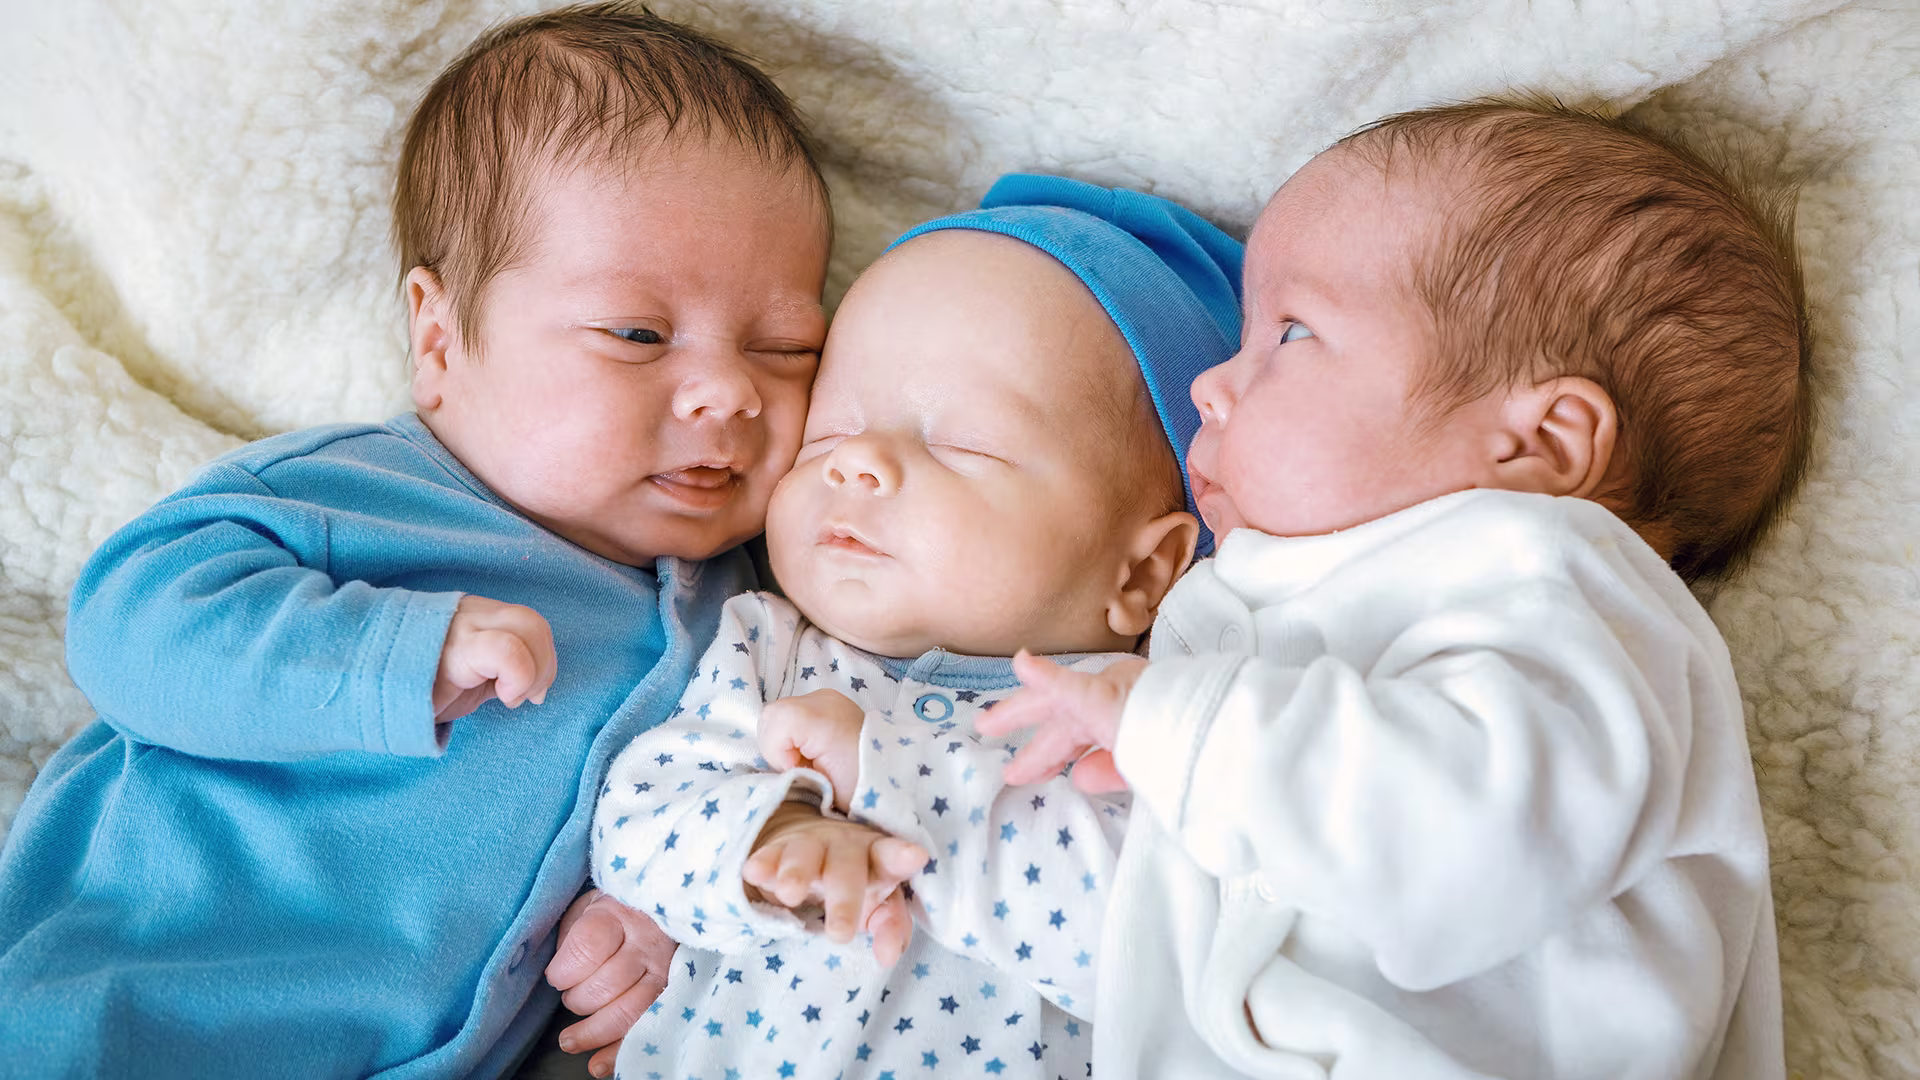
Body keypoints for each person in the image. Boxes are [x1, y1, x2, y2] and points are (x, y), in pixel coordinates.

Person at [0, 6, 830, 1077]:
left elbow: (713, 801)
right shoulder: (356, 494)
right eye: (638, 334)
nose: (729, 391)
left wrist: (657, 917)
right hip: (138, 993)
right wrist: (383, 657)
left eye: (786, 347)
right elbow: (128, 624)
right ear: (439, 341)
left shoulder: (750, 617)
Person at [981, 99, 1809, 1080]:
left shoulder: (1568, 592)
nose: (1211, 382)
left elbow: (1475, 841)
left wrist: (1193, 733)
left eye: (1288, 335)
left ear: (1538, 447)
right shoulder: (1325, 605)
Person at [577, 173, 1244, 1080]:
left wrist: (886, 774)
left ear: (1143, 572)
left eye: (960, 443)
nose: (857, 460)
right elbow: (635, 821)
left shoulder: (1151, 724)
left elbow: (1147, 956)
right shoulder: (768, 652)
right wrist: (762, 846)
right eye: (829, 429)